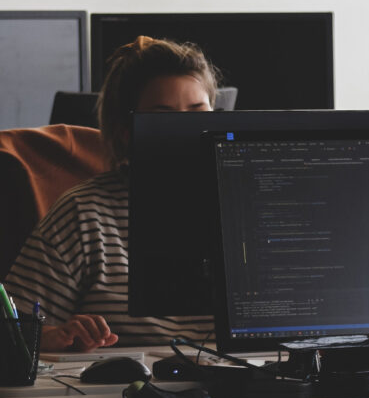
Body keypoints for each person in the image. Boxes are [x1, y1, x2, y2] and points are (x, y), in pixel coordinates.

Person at [3, 36, 218, 352]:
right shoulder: (84, 213)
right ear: (125, 132)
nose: (185, 130)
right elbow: (9, 336)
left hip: (250, 385)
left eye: (198, 112)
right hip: (127, 392)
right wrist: (51, 337)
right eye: (163, 116)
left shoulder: (247, 203)